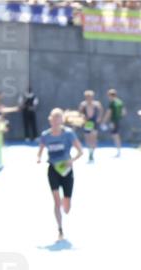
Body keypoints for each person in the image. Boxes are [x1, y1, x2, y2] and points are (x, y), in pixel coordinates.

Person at [37, 108, 83, 241]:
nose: (56, 122)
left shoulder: (68, 134)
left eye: (59, 119)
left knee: (66, 206)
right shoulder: (45, 135)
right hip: (53, 169)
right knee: (56, 201)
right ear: (50, 120)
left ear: (62, 120)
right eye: (54, 119)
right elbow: (40, 150)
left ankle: (66, 200)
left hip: (67, 170)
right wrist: (38, 158)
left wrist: (71, 160)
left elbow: (80, 151)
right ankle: (60, 229)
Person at [78, 89, 103, 163]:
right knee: (88, 138)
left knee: (94, 138)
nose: (89, 98)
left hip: (94, 122)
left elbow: (101, 110)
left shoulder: (96, 104)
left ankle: (92, 153)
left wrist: (99, 117)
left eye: (90, 96)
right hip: (87, 122)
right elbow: (80, 113)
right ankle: (90, 151)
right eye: (87, 97)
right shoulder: (83, 104)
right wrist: (83, 117)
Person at [103, 88, 124, 157]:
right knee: (116, 135)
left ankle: (118, 151)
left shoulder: (112, 103)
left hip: (113, 121)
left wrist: (104, 121)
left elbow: (108, 113)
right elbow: (124, 112)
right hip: (118, 121)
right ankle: (119, 150)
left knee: (115, 135)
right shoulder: (120, 102)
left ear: (110, 95)